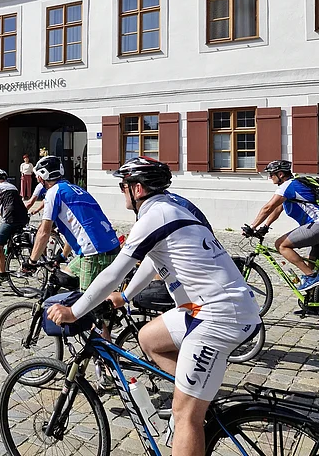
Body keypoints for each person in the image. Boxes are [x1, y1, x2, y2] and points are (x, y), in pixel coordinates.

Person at [47, 156, 261, 456]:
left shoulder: (155, 215)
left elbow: (114, 272)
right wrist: (125, 296)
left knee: (184, 416)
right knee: (149, 338)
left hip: (219, 315)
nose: (122, 192)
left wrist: (74, 311)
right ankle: (197, 393)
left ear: (136, 189)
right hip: (206, 309)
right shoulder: (169, 208)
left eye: (123, 186)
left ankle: (192, 410)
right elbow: (151, 261)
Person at [24, 156, 120, 292]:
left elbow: (44, 232)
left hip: (94, 253)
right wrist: (63, 255)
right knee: (66, 274)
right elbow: (76, 228)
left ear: (41, 178)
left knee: (87, 301)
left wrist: (32, 261)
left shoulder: (53, 192)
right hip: (109, 245)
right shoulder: (75, 189)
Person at [247, 159, 319, 291]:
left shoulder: (287, 186)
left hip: (316, 225)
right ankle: (312, 294)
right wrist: (265, 226)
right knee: (311, 260)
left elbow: (268, 208)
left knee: (281, 245)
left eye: (271, 174)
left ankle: (311, 276)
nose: (270, 177)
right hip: (314, 226)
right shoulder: (292, 188)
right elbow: (276, 210)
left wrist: (252, 227)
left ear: (280, 174)